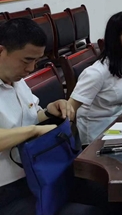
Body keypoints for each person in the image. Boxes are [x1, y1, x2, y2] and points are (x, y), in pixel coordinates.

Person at [0, 19, 102, 215]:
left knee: (103, 192)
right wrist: (34, 131)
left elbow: (32, 116)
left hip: (41, 172)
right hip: (9, 190)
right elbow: (30, 128)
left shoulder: (16, 80)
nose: (31, 68)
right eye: (26, 60)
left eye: (36, 61)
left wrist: (48, 112)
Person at [68, 12, 122, 146]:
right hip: (96, 136)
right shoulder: (97, 73)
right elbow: (70, 108)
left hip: (119, 125)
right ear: (116, 38)